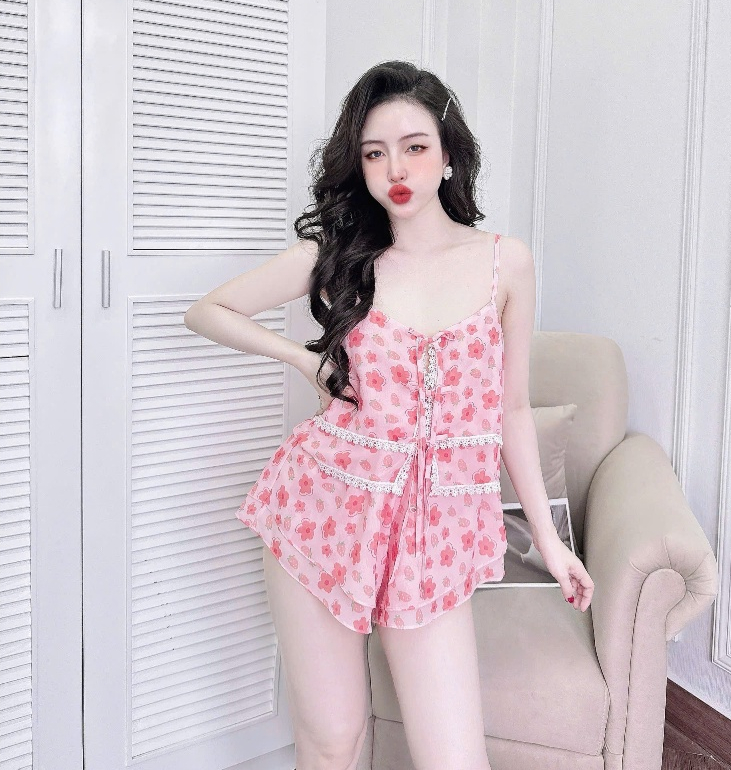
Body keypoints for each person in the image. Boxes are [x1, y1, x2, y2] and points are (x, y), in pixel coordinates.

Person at [185, 60, 593, 770]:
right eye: (374, 153)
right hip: (320, 512)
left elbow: (512, 411)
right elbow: (207, 311)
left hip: (435, 536)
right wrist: (304, 360)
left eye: (414, 146)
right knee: (333, 742)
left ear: (449, 153)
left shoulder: (505, 263)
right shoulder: (341, 255)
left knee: (454, 759)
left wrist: (552, 546)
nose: (395, 169)